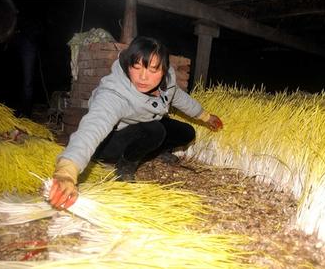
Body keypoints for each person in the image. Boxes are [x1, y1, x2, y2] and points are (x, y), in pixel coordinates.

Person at [49, 36, 223, 209]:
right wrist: (67, 172)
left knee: (186, 132)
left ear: (163, 69)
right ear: (128, 64)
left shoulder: (167, 80)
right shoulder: (114, 93)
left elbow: (177, 96)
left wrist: (205, 116)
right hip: (109, 142)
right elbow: (93, 127)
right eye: (136, 67)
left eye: (153, 70)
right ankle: (124, 166)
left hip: (143, 125)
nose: (143, 77)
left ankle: (151, 151)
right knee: (155, 131)